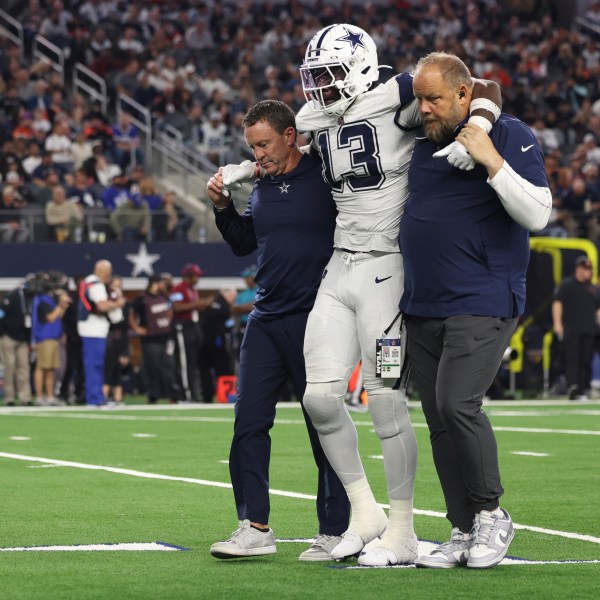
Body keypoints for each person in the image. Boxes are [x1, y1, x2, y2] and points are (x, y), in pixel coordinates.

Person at [220, 24, 503, 567]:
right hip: (339, 264)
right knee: (320, 398)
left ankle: (401, 528)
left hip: (387, 269)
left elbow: (482, 85)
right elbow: (285, 150)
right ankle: (364, 511)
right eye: (314, 77)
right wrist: (245, 171)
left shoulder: (394, 93)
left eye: (328, 75)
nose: (319, 88)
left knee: (386, 399)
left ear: (357, 68)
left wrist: (481, 126)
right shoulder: (311, 116)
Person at [400, 52, 551, 569]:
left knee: (458, 403)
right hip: (422, 301)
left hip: (483, 297)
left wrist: (490, 157)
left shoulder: (508, 133)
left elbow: (538, 214)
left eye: (434, 98)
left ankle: (491, 515)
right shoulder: (422, 134)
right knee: (439, 420)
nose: (424, 108)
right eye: (420, 98)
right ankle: (462, 528)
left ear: (465, 96)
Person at [206, 100, 350, 561]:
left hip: (318, 317)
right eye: (252, 146)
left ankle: (335, 530)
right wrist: (223, 207)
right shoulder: (262, 185)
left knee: (323, 425)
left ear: (291, 136)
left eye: (264, 144)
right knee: (248, 421)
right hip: (266, 318)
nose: (258, 155)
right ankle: (254, 526)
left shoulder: (327, 174)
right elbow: (245, 242)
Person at [77, 260, 126, 407]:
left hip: (92, 328)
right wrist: (117, 304)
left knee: (96, 364)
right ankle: (94, 398)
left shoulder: (88, 282)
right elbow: (101, 305)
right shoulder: (96, 284)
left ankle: (98, 396)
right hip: (93, 329)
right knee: (94, 365)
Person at [552, 255, 600, 401]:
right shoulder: (567, 285)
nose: (587, 272)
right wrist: (557, 323)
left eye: (589, 269)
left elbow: (598, 309)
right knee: (573, 359)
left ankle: (584, 388)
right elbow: (557, 304)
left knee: (586, 359)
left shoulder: (592, 288)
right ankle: (573, 387)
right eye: (584, 269)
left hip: (590, 330)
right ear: (578, 269)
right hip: (572, 329)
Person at [129, 275, 178, 404]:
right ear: (154, 283)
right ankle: (153, 394)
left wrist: (168, 321)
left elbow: (170, 309)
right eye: (161, 282)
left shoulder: (165, 296)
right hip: (150, 339)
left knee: (168, 366)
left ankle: (171, 394)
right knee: (152, 366)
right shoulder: (142, 298)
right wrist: (137, 328)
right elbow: (132, 314)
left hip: (165, 337)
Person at [171, 263, 213, 403]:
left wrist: (203, 305)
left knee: (193, 362)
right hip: (182, 326)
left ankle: (192, 393)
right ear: (189, 275)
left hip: (193, 326)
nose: (198, 278)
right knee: (184, 362)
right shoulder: (178, 288)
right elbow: (176, 307)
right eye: (196, 275)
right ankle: (185, 395)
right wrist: (197, 304)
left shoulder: (192, 290)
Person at [31, 273, 71, 406]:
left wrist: (62, 305)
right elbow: (51, 317)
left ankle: (50, 396)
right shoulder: (42, 299)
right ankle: (40, 397)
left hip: (53, 337)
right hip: (44, 337)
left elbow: (58, 317)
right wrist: (60, 304)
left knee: (51, 368)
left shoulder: (48, 299)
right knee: (42, 367)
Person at [0, 275, 38, 406]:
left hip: (22, 339)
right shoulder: (13, 295)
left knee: (24, 368)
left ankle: (25, 397)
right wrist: (2, 334)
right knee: (9, 367)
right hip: (8, 337)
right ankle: (9, 398)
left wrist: (29, 341)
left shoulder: (31, 298)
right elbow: (0, 314)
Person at [103, 275, 129, 405]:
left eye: (120, 284)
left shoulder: (125, 303)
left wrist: (125, 351)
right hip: (109, 337)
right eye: (115, 285)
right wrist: (115, 305)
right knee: (109, 367)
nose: (117, 287)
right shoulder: (105, 301)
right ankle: (104, 395)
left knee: (119, 367)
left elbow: (125, 325)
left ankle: (118, 397)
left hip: (121, 339)